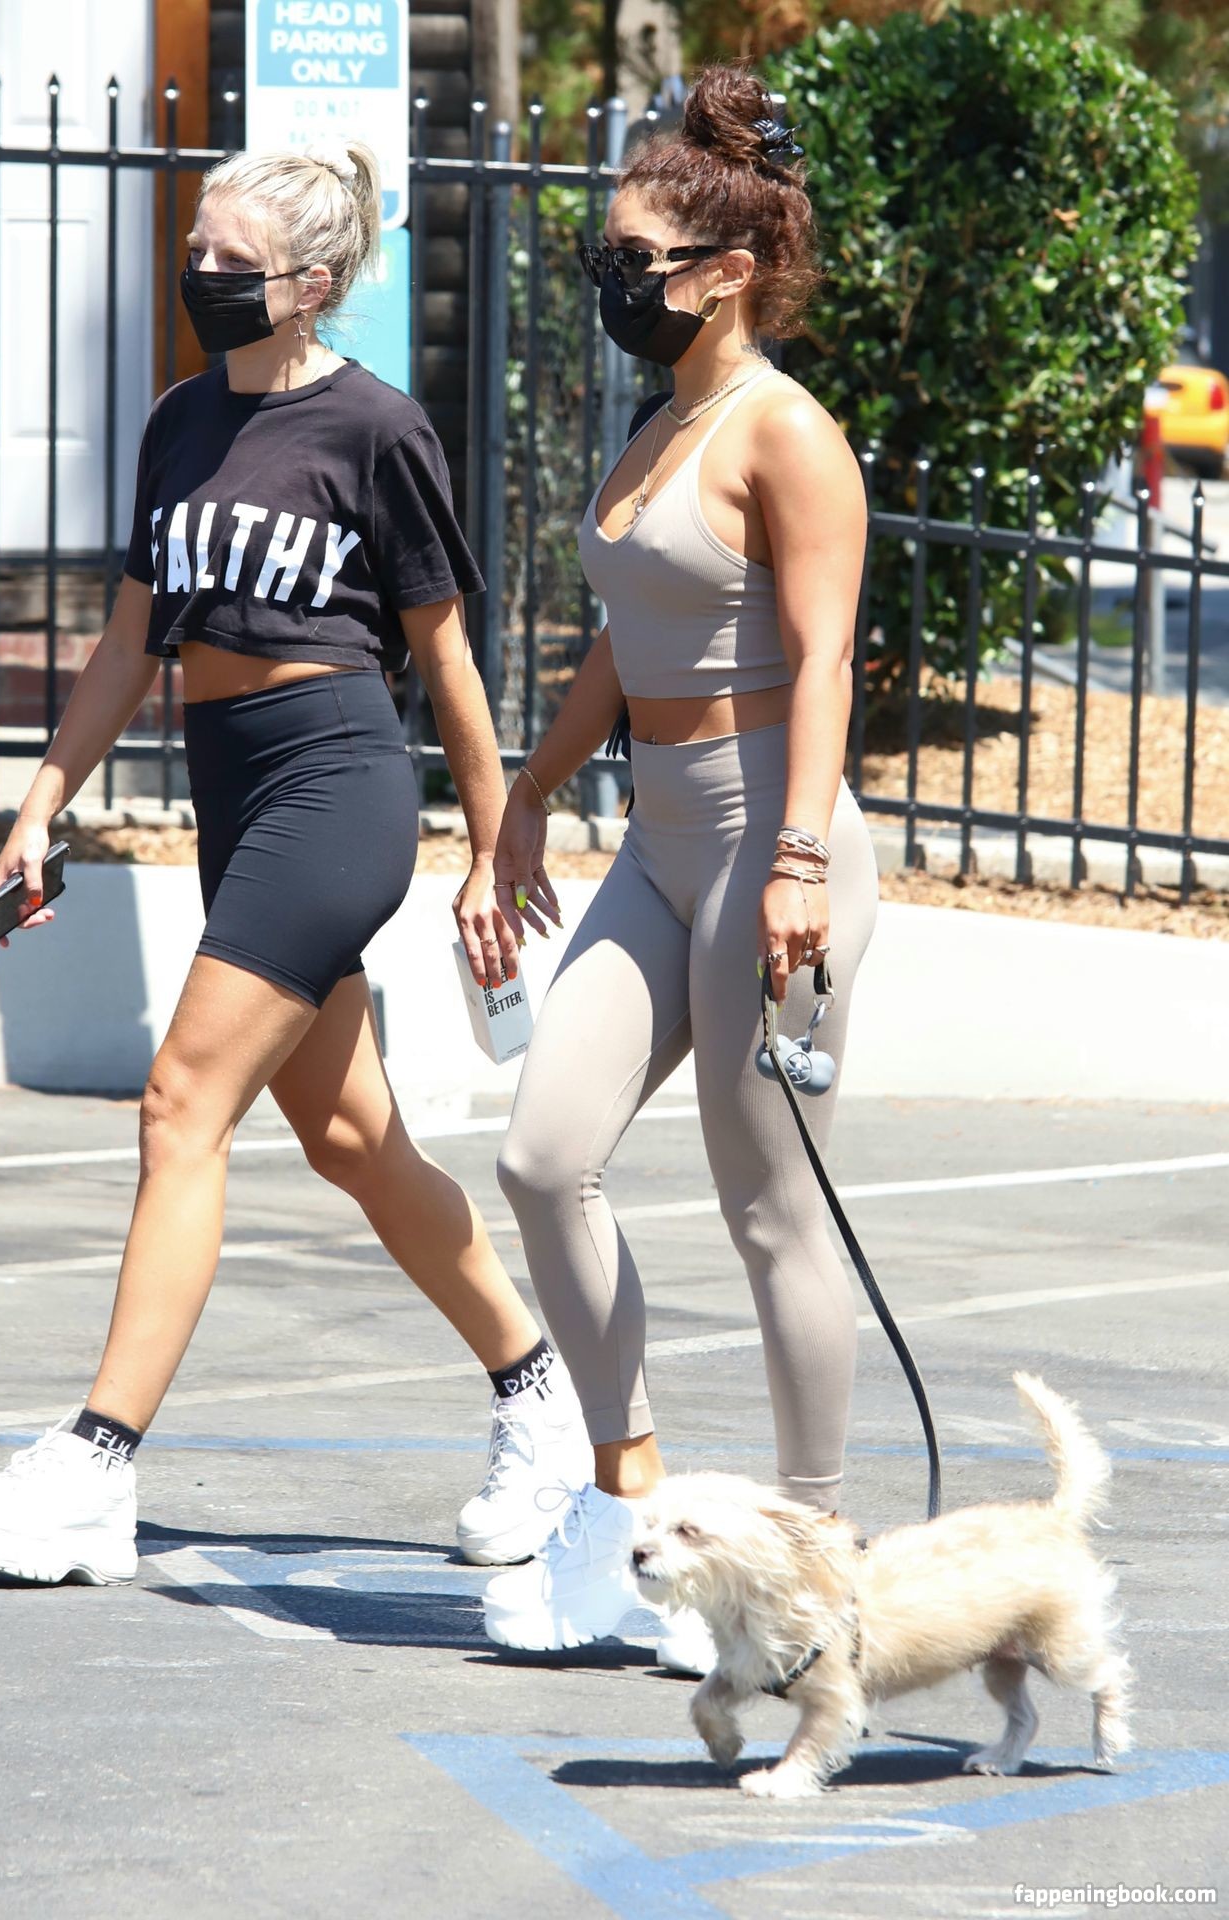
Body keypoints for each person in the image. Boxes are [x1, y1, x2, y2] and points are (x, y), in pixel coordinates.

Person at [0, 136, 589, 1587]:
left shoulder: (378, 430)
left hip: (337, 784)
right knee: (352, 1140)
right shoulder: (180, 422)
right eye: (198, 253)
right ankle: (541, 1397)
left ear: (317, 282)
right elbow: (127, 644)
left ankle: (95, 1467)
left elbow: (447, 662)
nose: (205, 276)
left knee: (181, 1102)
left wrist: (492, 850)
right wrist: (41, 805)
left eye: (237, 261)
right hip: (234, 794)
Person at [478, 66, 880, 1665]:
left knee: (769, 1210)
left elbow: (826, 657)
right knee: (540, 1159)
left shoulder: (787, 433)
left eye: (634, 257)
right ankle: (623, 1499)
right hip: (657, 837)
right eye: (611, 253)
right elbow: (625, 639)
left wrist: (798, 858)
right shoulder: (662, 426)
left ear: (728, 272)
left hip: (773, 839)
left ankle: (808, 1560)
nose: (611, 279)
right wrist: (528, 793)